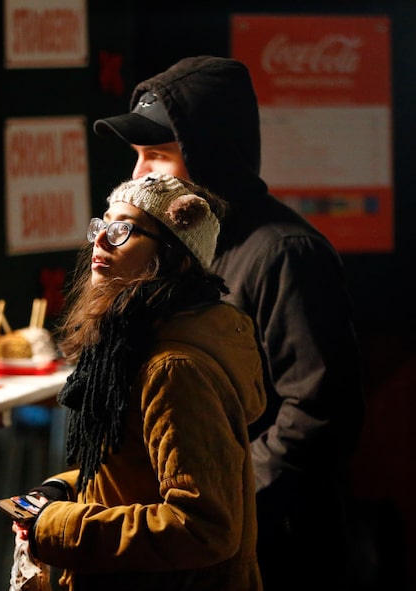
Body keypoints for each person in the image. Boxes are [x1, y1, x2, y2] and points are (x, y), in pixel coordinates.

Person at [92, 55, 365, 589]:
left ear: (209, 157)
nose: (138, 175)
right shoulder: (174, 253)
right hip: (183, 540)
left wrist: (226, 498)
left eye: (157, 156)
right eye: (136, 157)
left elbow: (319, 413)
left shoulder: (287, 253)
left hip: (274, 545)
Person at [8, 172, 267, 590]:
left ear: (174, 256)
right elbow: (134, 474)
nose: (101, 240)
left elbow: (202, 526)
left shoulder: (174, 370)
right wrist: (64, 490)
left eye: (123, 229)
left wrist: (59, 526)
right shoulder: (130, 345)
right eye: (102, 225)